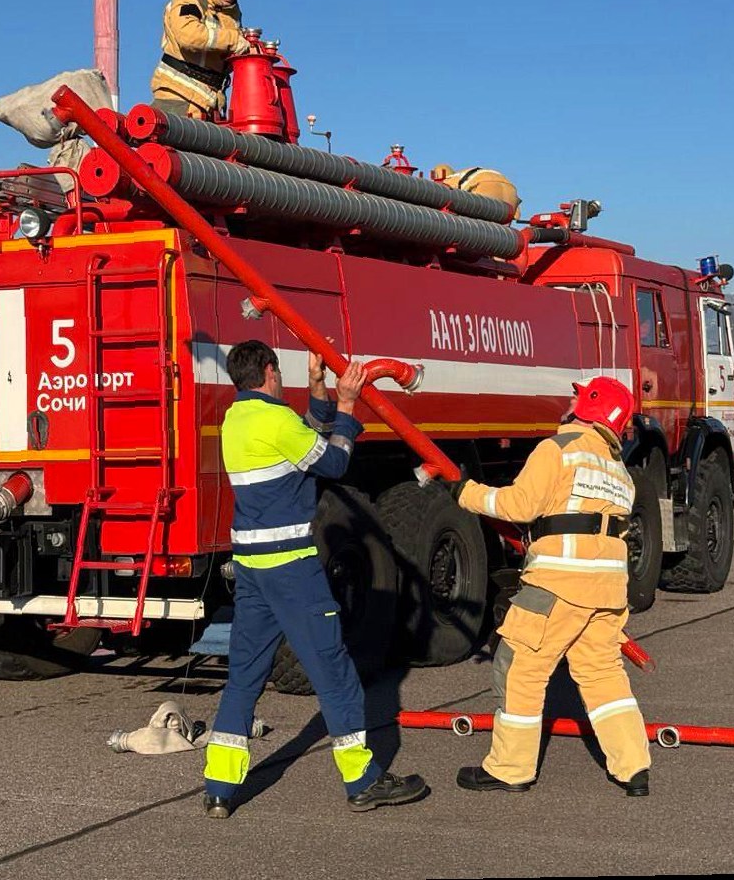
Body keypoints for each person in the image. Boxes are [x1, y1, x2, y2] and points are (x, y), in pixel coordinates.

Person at [202, 339, 430, 818]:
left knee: (244, 675)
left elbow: (303, 438)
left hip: (251, 568)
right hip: (291, 569)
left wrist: (317, 387)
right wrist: (347, 404)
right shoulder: (276, 420)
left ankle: (219, 786)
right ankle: (363, 781)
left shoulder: (236, 419)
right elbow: (333, 462)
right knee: (334, 671)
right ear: (269, 371)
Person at [440, 376, 652, 797]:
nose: (570, 401)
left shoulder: (558, 450)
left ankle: (510, 768)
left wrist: (465, 492)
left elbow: (519, 506)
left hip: (558, 583)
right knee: (603, 675)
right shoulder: (619, 472)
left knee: (519, 669)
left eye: (578, 396)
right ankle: (634, 767)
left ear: (589, 406)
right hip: (608, 590)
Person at [150, 0, 254, 120]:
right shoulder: (190, 0)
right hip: (178, 97)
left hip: (208, 101)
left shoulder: (230, 11)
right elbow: (188, 35)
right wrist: (234, 40)